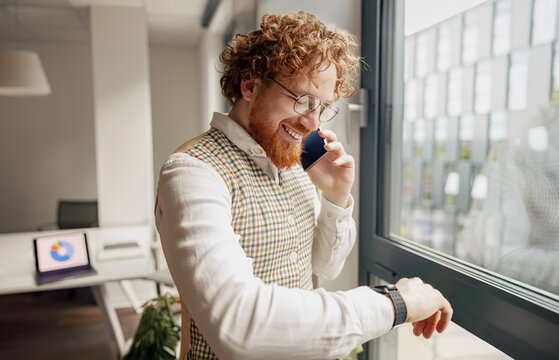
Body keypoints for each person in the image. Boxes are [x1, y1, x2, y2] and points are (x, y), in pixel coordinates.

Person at [155, 11, 453, 360]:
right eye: (303, 100)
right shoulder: (192, 172)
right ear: (250, 86)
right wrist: (396, 303)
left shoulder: (295, 162)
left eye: (322, 107)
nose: (312, 122)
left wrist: (336, 195)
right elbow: (239, 329)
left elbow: (324, 267)